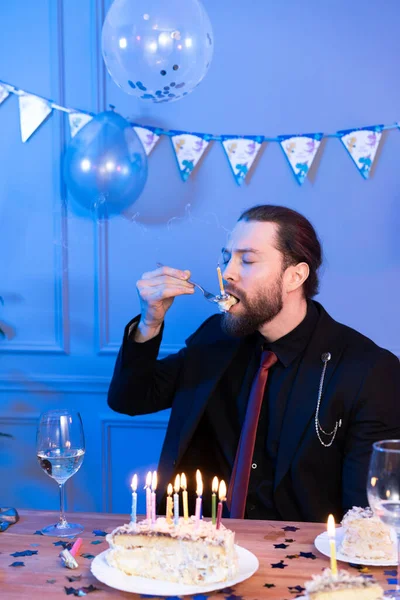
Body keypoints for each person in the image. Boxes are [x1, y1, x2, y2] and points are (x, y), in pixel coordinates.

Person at [108, 205, 400, 522]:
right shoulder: (214, 339)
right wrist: (150, 322)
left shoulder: (368, 371)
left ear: (295, 276)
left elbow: (366, 516)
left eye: (247, 260)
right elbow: (131, 399)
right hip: (206, 549)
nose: (227, 274)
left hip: (306, 560)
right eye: (226, 258)